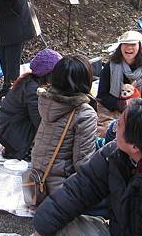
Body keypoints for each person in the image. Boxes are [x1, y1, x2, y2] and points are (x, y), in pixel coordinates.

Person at [32, 99, 142, 236]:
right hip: (117, 231)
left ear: (135, 146)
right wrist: (41, 229)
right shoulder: (114, 153)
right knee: (63, 226)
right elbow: (78, 190)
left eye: (120, 124)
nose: (114, 125)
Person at [31, 55, 97, 195]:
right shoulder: (84, 113)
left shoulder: (47, 101)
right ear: (86, 81)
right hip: (61, 191)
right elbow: (83, 164)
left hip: (36, 181)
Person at [0, 49, 62, 161]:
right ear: (48, 73)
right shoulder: (32, 89)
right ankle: (18, 150)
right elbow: (39, 121)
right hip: (9, 133)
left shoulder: (29, 80)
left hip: (4, 127)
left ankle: (16, 149)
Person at [96, 31, 142, 136]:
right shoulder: (110, 67)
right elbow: (101, 96)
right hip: (111, 110)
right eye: (125, 44)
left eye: (133, 45)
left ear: (139, 47)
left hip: (136, 111)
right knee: (110, 133)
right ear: (120, 46)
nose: (129, 48)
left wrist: (136, 106)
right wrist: (122, 104)